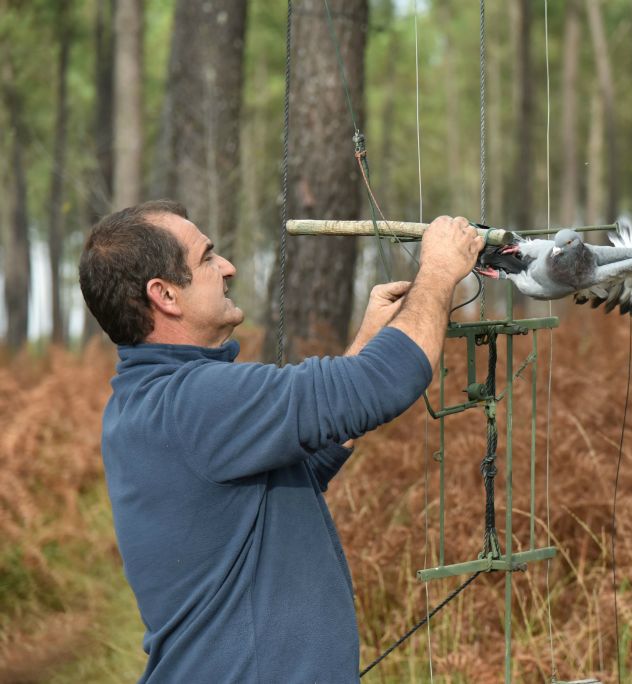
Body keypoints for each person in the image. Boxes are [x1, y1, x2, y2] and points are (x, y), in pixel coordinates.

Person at [78, 200, 484, 683]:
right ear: (165, 294)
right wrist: (439, 269)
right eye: (207, 258)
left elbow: (298, 471)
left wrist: (366, 342)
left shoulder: (147, 401)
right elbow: (386, 381)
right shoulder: (197, 402)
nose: (227, 267)